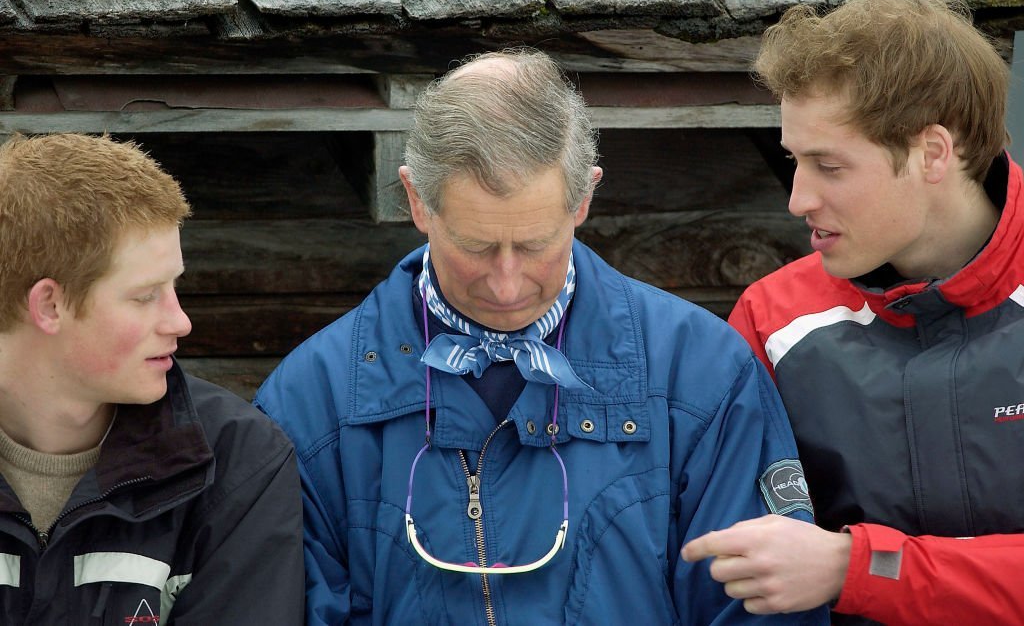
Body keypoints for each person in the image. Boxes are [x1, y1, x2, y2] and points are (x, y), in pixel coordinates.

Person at [255, 47, 827, 625]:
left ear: (584, 198)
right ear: (416, 201)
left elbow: (762, 610)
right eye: (476, 248)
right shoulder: (309, 400)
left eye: (534, 246)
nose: (507, 285)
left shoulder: (702, 372)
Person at [682, 0, 1024, 626]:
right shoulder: (772, 317)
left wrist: (854, 568)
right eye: (793, 161)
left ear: (932, 152)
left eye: (828, 166)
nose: (797, 199)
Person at [0, 133, 304, 624]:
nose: (180, 322)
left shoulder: (236, 461)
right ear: (49, 305)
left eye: (174, 287)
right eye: (145, 296)